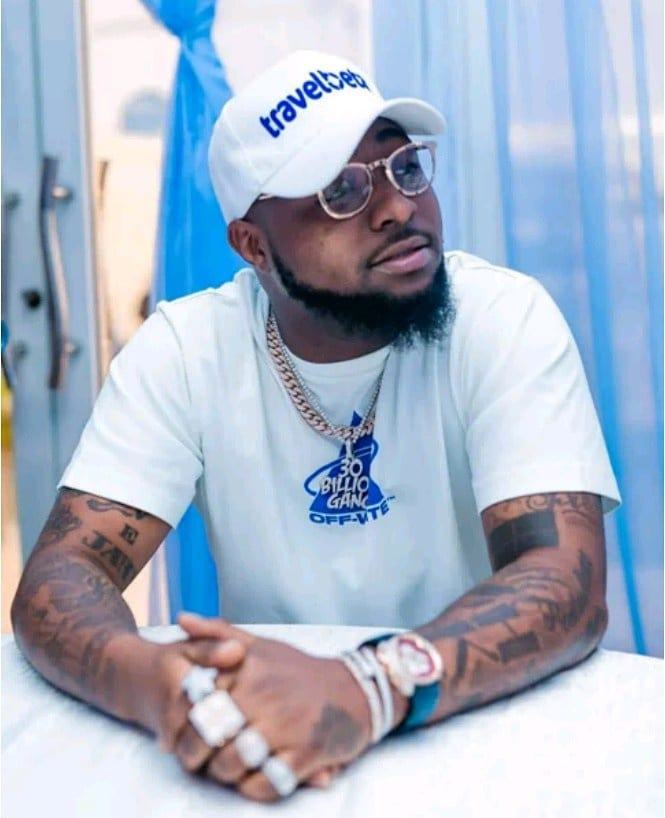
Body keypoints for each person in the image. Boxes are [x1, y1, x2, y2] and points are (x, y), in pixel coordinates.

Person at [11, 50, 621, 803]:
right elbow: (61, 577)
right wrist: (158, 685)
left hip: (477, 724)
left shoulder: (501, 317)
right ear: (253, 246)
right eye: (340, 189)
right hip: (271, 734)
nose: (396, 207)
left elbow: (564, 582)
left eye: (404, 167)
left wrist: (366, 684)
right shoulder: (186, 350)